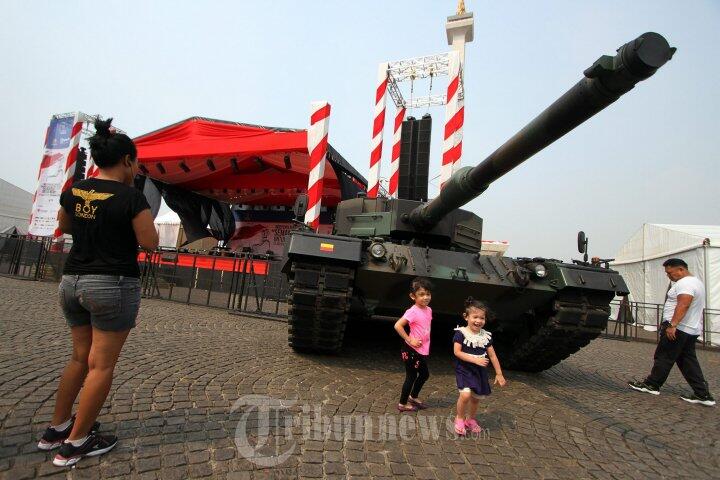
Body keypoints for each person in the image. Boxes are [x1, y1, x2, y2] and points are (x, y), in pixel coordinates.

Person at [38, 118, 159, 467]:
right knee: (100, 365)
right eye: (134, 163)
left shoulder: (75, 191)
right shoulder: (131, 197)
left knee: (79, 358)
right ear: (126, 161)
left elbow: (63, 225)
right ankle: (76, 443)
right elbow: (149, 242)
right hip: (112, 284)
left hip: (72, 281)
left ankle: (56, 429)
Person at [628, 258, 715, 406]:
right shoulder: (696, 282)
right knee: (687, 361)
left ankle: (652, 384)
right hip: (690, 329)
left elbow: (683, 304)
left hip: (679, 329)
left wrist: (673, 325)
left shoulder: (685, 284)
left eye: (670, 272)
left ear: (681, 269)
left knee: (664, 356)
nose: (668, 276)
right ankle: (703, 394)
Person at [453, 297, 506, 435]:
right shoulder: (461, 333)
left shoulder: (485, 336)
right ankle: (459, 418)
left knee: (476, 398)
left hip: (479, 372)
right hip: (464, 369)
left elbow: (493, 355)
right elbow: (457, 352)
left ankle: (470, 419)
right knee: (465, 395)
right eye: (475, 317)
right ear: (466, 317)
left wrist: (499, 373)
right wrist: (474, 360)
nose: (478, 321)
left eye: (482, 318)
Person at [394, 277, 433, 412]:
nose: (425, 297)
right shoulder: (413, 311)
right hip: (411, 349)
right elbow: (398, 325)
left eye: (428, 294)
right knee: (411, 376)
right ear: (412, 296)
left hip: (421, 349)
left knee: (424, 374)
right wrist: (410, 339)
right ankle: (402, 403)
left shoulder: (428, 310)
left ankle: (413, 396)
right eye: (421, 294)